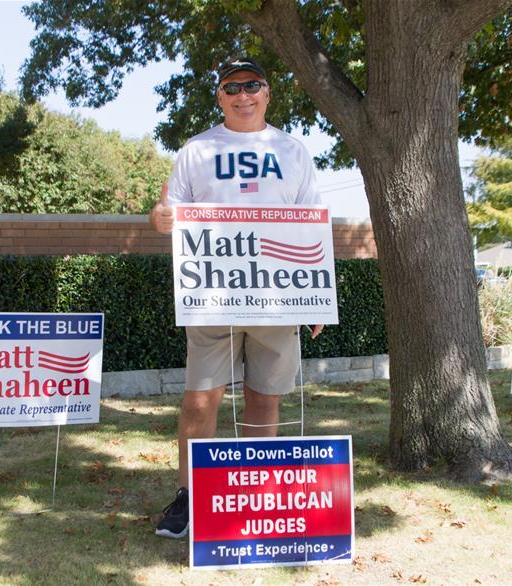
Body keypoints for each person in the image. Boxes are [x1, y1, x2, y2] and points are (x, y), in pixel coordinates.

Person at [149, 57, 323, 539]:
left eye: (252, 85)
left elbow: (310, 224)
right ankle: (190, 495)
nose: (242, 94)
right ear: (220, 96)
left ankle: (257, 496)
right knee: (200, 401)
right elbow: (168, 212)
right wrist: (159, 219)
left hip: (278, 296)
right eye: (231, 87)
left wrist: (315, 296)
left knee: (264, 398)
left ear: (267, 92)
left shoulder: (293, 150)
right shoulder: (197, 150)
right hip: (212, 293)